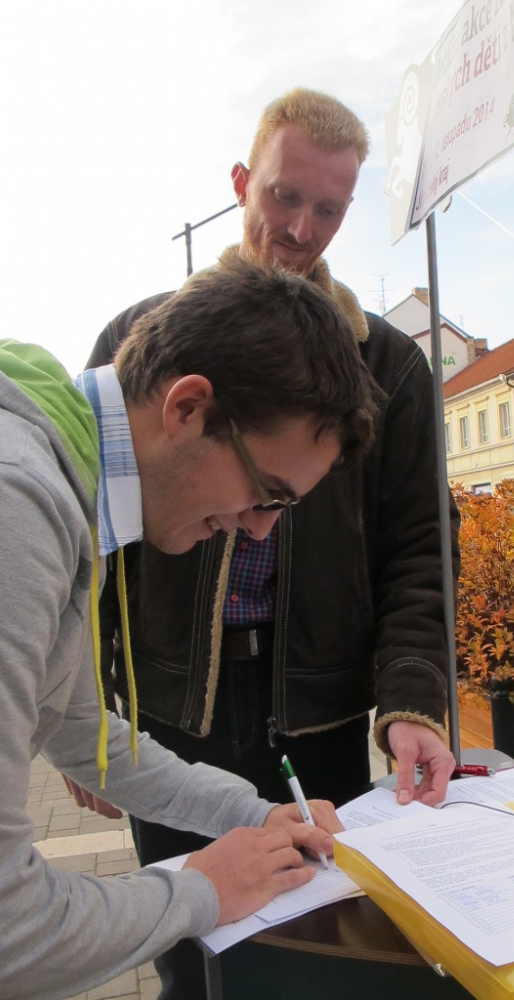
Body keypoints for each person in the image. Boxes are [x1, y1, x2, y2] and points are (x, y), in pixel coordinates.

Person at [84, 87, 459, 999]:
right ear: (243, 183)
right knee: (190, 948)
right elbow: (90, 551)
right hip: (174, 705)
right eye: (284, 197)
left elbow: (421, 543)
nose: (299, 228)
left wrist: (412, 698)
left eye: (327, 208)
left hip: (321, 711)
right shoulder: (145, 340)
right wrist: (92, 721)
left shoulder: (391, 365)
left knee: (311, 949)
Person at [0, 259, 379, 1000]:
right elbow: (12, 929)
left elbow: (83, 734)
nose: (262, 533)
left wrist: (260, 813)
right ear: (187, 408)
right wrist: (202, 892)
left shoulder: (71, 481)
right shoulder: (21, 505)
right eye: (267, 494)